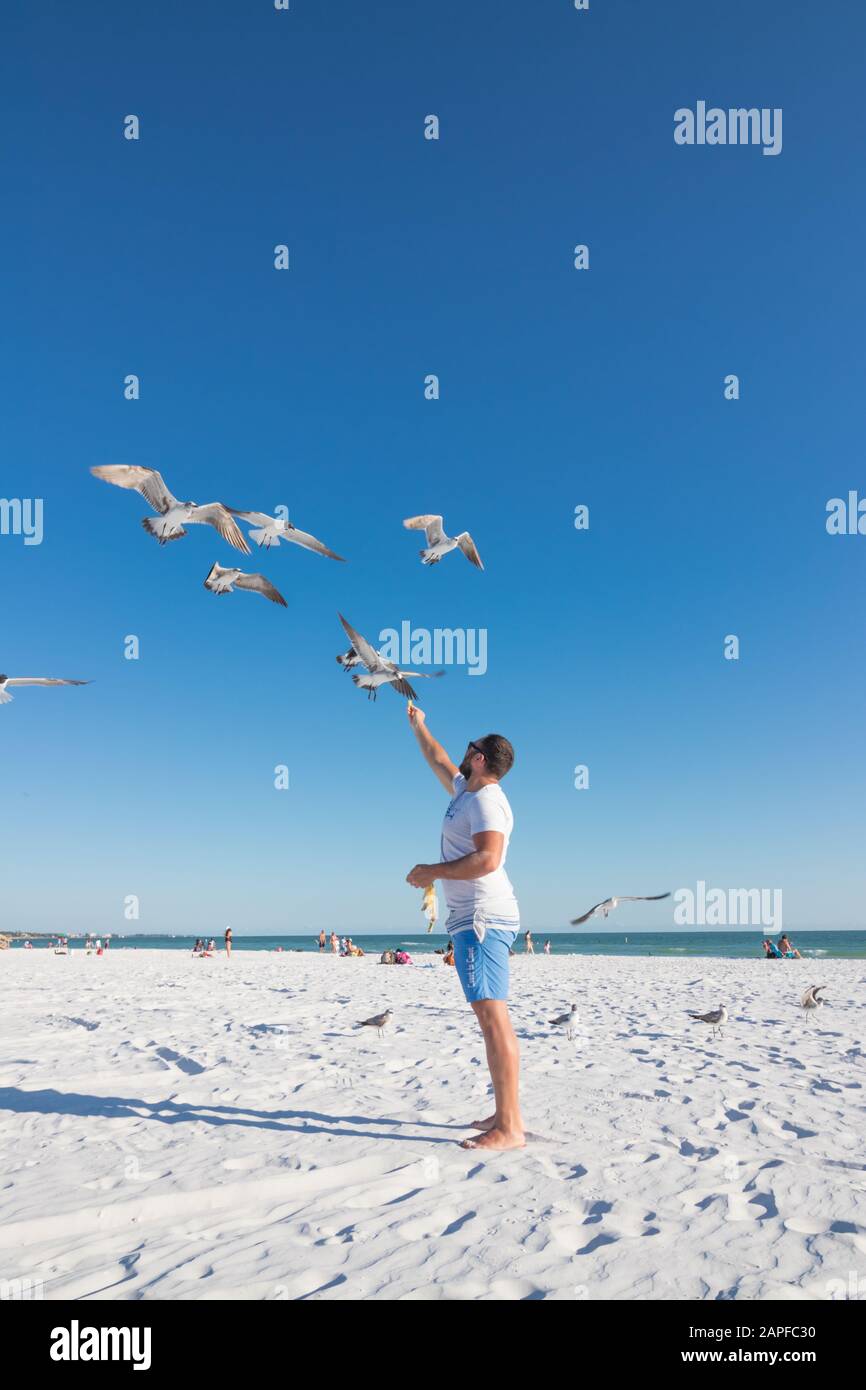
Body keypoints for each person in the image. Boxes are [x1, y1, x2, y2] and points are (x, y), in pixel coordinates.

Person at [406, 705, 524, 1152]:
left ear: (479, 758)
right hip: (472, 918)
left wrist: (431, 871)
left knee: (493, 1018)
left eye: (469, 747)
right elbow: (438, 758)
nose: (461, 750)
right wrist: (419, 725)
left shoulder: (487, 800)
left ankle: (511, 1128)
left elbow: (488, 860)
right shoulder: (465, 790)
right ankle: (503, 1114)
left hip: (482, 918)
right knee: (489, 1017)